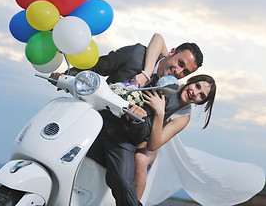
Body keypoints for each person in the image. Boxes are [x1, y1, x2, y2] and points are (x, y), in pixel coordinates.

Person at [50, 33, 204, 206]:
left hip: (121, 137)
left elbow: (142, 135)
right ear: (172, 52)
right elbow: (96, 68)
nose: (178, 71)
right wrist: (65, 76)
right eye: (180, 63)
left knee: (124, 182)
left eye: (185, 72)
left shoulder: (169, 94)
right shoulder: (137, 54)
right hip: (90, 114)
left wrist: (138, 118)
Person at [133, 74, 216, 200]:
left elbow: (153, 145)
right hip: (136, 123)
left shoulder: (184, 117)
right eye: (197, 86)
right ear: (190, 81)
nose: (195, 93)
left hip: (151, 142)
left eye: (201, 95)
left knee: (140, 160)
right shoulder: (169, 82)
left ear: (200, 103)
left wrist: (160, 113)